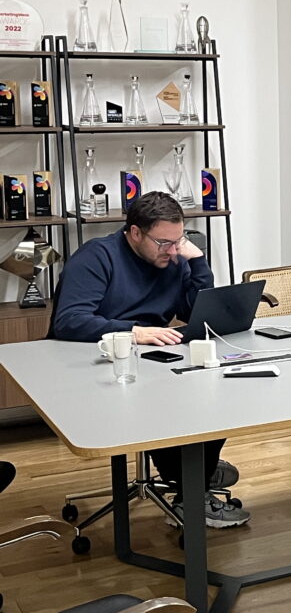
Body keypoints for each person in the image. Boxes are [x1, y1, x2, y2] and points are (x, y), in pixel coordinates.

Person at [51, 191, 250, 528]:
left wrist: (197, 261)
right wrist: (134, 332)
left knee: (215, 389)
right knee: (176, 403)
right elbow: (69, 321)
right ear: (135, 233)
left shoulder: (173, 259)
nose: (172, 251)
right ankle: (190, 488)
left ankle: (193, 469)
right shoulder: (96, 258)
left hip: (149, 357)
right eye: (163, 242)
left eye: (179, 240)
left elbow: (192, 311)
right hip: (99, 362)